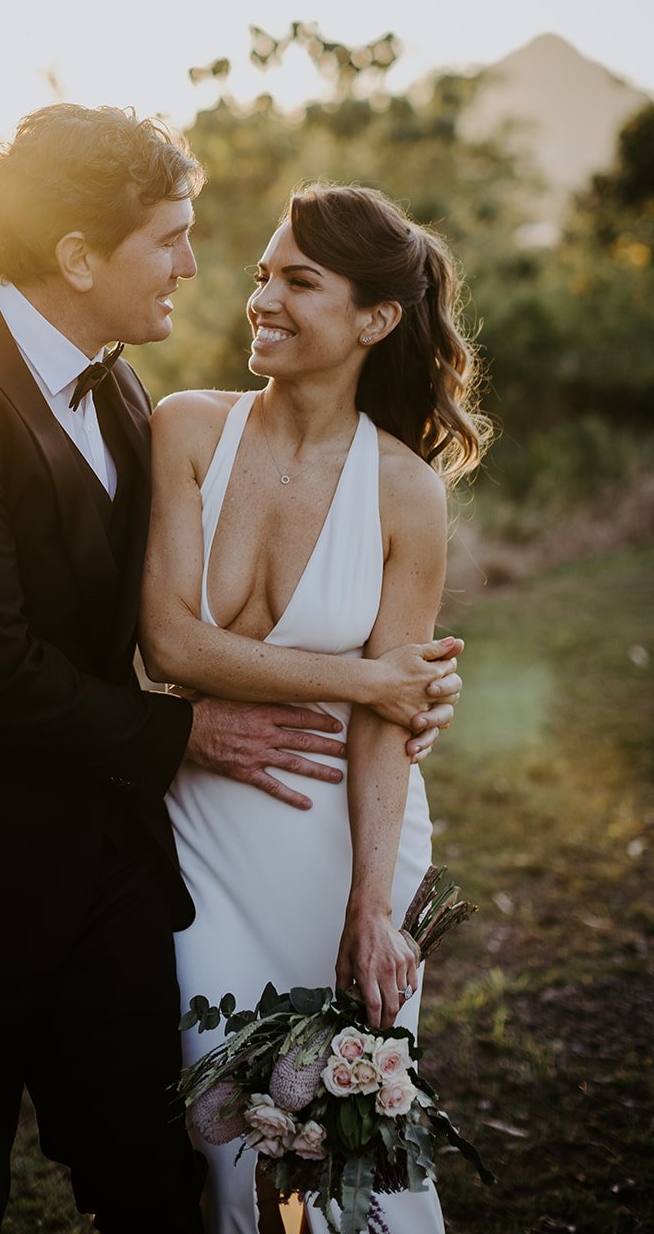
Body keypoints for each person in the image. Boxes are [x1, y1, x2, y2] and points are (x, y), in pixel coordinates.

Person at [0, 109, 462, 1233]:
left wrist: (397, 684)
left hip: (103, 865)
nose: (198, 271)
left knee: (155, 1178)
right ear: (78, 255)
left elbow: (140, 622)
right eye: (172, 239)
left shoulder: (119, 393)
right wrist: (205, 730)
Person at [140, 182, 489, 1234]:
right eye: (260, 275)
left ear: (373, 319)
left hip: (347, 838)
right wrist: (365, 677)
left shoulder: (404, 491)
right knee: (226, 1131)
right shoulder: (186, 429)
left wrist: (372, 908)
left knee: (350, 1139)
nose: (262, 298)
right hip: (204, 834)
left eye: (298, 280)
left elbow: (392, 722)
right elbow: (172, 644)